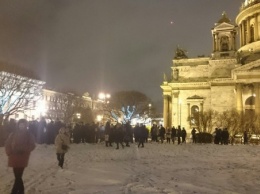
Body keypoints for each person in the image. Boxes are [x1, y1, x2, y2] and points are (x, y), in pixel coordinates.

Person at [5, 119, 36, 194]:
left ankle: (14, 191)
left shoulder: (29, 135)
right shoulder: (13, 134)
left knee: (18, 176)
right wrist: (9, 152)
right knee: (17, 176)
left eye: (23, 125)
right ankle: (20, 191)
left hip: (22, 157)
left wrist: (23, 149)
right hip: (14, 157)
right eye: (20, 124)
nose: (21, 126)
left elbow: (32, 145)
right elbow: (7, 144)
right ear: (18, 125)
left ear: (26, 126)